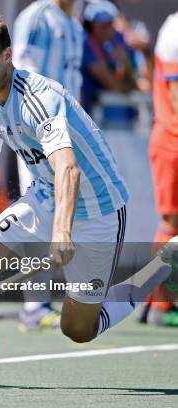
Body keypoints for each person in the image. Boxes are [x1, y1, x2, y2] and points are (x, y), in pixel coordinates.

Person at [0, 11, 174, 384]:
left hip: (98, 212)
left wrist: (62, 232)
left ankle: (160, 267)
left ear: (7, 55)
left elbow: (68, 169)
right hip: (45, 198)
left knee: (78, 330)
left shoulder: (39, 98)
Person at [11, 0, 84, 331]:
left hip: (67, 130)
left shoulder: (73, 23)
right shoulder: (37, 17)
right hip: (40, 132)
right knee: (40, 212)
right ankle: (34, 306)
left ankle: (65, 300)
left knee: (68, 211)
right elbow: (23, 78)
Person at [141, 11, 178, 326]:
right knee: (172, 223)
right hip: (172, 142)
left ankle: (156, 301)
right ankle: (158, 305)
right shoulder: (175, 30)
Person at [80, 0, 136, 115]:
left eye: (109, 23)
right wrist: (128, 88)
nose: (108, 29)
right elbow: (115, 86)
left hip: (106, 118)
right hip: (93, 118)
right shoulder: (85, 44)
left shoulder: (110, 47)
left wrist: (125, 63)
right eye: (102, 24)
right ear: (92, 26)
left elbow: (131, 82)